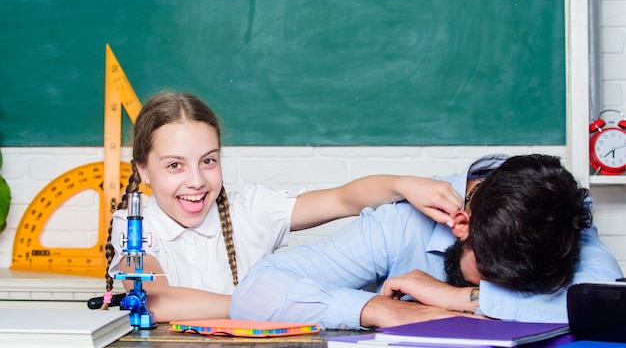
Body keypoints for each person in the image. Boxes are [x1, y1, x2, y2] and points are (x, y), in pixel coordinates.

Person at [103, 91, 467, 323]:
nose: (196, 180)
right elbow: (157, 299)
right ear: (143, 171)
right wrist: (270, 301)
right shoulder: (133, 226)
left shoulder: (250, 207)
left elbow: (343, 198)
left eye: (209, 161)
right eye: (174, 165)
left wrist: (404, 184)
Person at [229, 154, 624, 329]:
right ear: (461, 224)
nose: (489, 292)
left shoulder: (557, 210)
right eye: (483, 279)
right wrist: (379, 309)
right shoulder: (400, 225)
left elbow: (609, 305)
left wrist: (456, 298)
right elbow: (253, 292)